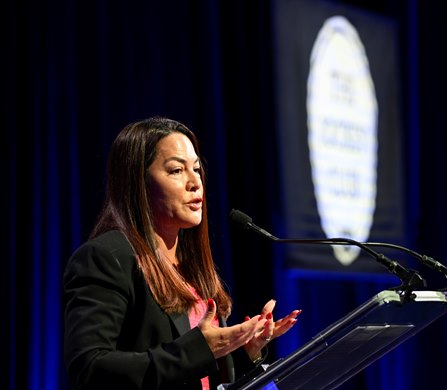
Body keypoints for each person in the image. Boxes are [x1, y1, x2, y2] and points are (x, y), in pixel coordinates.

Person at [63, 116, 301, 390]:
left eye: (197, 169)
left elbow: (200, 378)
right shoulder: (106, 258)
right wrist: (199, 349)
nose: (195, 182)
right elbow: (89, 369)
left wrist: (242, 352)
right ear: (138, 182)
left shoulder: (191, 269)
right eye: (177, 170)